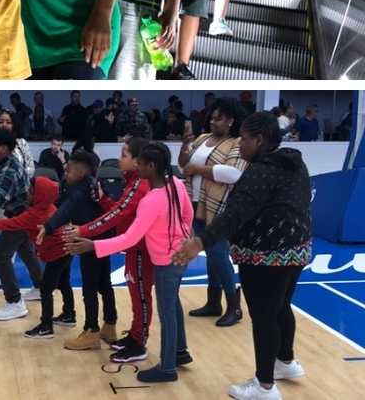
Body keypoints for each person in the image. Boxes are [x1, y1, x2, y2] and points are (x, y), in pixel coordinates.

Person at [173, 112, 313, 400]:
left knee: (264, 318)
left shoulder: (261, 171)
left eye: (245, 139)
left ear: (259, 140)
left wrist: (200, 241)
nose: (240, 145)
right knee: (281, 308)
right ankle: (285, 363)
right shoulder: (294, 163)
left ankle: (264, 387)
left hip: (266, 255)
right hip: (297, 249)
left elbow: (235, 213)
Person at [66, 142, 193, 383]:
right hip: (177, 255)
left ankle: (167, 367)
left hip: (164, 259)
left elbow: (130, 237)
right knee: (173, 306)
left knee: (167, 315)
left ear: (150, 165)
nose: (135, 165)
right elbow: (187, 215)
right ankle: (179, 352)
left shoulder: (150, 198)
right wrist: (185, 240)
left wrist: (93, 244)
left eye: (140, 162)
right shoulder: (176, 183)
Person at [72, 138, 153, 361]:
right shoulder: (133, 181)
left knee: (141, 297)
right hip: (134, 247)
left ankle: (140, 342)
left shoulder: (140, 184)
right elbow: (120, 210)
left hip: (141, 248)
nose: (119, 159)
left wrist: (83, 230)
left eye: (124, 155)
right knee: (137, 295)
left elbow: (117, 215)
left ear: (137, 161)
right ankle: (136, 336)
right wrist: (104, 200)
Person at [0, 175, 71, 340]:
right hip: (66, 251)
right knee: (64, 284)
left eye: (30, 192)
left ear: (39, 196)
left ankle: (46, 326)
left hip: (56, 255)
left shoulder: (33, 214)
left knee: (46, 289)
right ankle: (69, 315)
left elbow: (5, 224)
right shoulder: (49, 207)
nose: (26, 194)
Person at [178, 97, 247, 330]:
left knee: (217, 253)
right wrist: (184, 146)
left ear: (230, 121)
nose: (213, 121)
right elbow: (182, 165)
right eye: (212, 117)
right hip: (196, 203)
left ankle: (234, 307)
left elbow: (233, 173)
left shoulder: (236, 142)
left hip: (219, 206)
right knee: (208, 252)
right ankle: (213, 302)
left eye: (218, 118)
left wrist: (196, 168)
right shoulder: (202, 138)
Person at [41, 151, 120, 350]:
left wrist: (48, 226)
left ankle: (91, 330)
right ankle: (110, 326)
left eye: (69, 170)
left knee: (89, 290)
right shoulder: (97, 184)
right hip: (105, 242)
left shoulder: (78, 192)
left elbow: (64, 210)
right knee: (105, 285)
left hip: (89, 244)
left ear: (82, 172)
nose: (66, 173)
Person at [0, 128, 42, 320]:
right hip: (21, 214)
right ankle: (40, 287)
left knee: (1, 254)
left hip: (21, 217)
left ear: (3, 148)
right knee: (25, 252)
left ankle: (14, 302)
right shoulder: (3, 163)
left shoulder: (9, 169)